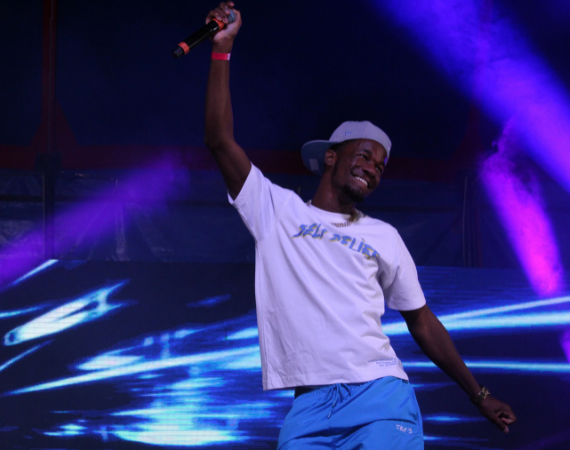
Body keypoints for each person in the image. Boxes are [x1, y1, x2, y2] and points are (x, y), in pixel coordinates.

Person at [202, 2, 517, 448]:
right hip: (309, 405)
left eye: (381, 164)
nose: (373, 167)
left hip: (380, 395)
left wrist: (478, 394)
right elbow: (219, 139)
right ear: (331, 156)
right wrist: (222, 50)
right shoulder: (277, 210)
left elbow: (422, 321)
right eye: (364, 155)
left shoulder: (383, 236)